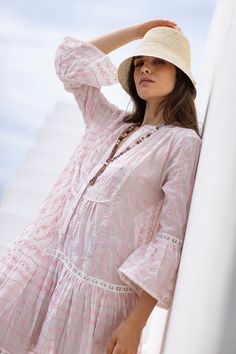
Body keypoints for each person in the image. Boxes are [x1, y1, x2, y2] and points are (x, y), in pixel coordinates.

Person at [0, 19, 202, 354]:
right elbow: (70, 62)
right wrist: (138, 33)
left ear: (179, 75)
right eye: (139, 63)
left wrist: (135, 323)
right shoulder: (110, 122)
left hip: (98, 302)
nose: (145, 69)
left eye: (158, 61)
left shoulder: (181, 144)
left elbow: (170, 238)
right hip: (50, 273)